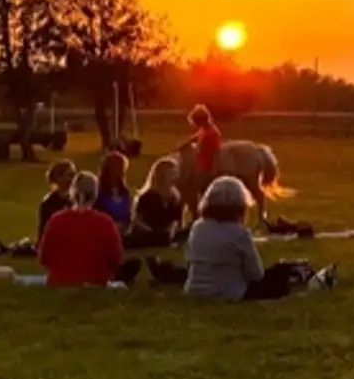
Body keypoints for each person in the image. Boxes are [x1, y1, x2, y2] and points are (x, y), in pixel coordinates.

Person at [184, 176, 334, 302]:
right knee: (278, 282)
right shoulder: (240, 234)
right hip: (230, 293)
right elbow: (256, 274)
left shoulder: (197, 227)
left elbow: (189, 260)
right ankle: (303, 274)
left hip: (194, 289)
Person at [37, 172, 139, 288]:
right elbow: (115, 260)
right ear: (95, 194)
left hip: (59, 282)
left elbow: (45, 258)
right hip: (95, 282)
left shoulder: (56, 220)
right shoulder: (105, 223)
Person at [127, 157, 184, 249]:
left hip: (166, 233)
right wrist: (153, 233)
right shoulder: (148, 196)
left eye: (176, 173)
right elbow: (137, 221)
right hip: (147, 233)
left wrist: (172, 229)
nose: (176, 177)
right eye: (172, 174)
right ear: (162, 175)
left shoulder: (175, 196)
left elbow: (176, 220)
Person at [175, 104, 224, 183]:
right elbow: (195, 137)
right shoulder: (203, 129)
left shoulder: (213, 133)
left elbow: (217, 151)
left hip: (206, 167)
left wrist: (213, 169)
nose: (196, 125)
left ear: (201, 120)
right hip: (200, 164)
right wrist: (184, 144)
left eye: (196, 122)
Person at [37, 159, 78, 237]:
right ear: (58, 177)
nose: (74, 179)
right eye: (69, 175)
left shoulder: (79, 199)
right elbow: (44, 232)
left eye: (74, 175)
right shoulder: (49, 203)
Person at [94, 151, 134, 229]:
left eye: (121, 168)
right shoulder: (98, 192)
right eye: (116, 168)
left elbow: (129, 214)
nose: (120, 171)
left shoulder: (125, 192)